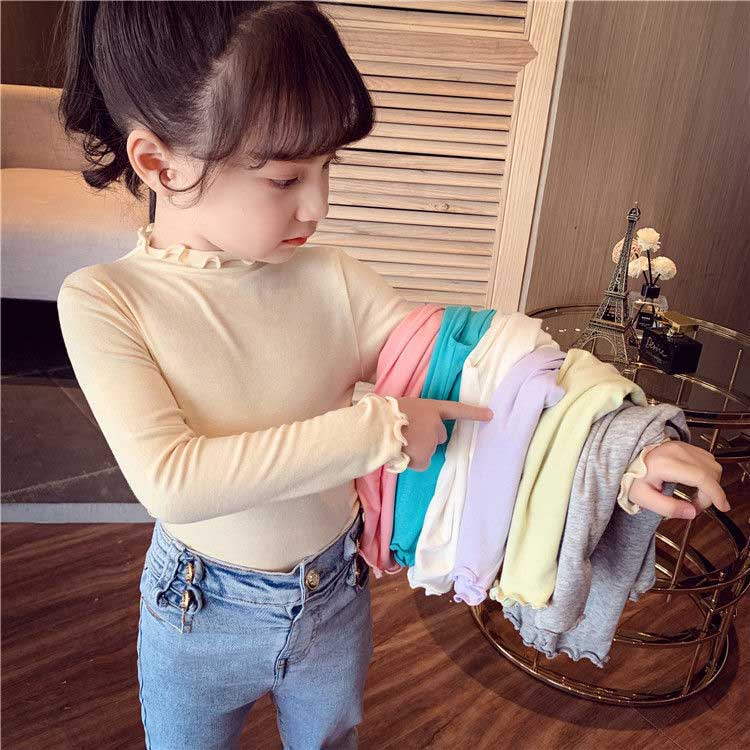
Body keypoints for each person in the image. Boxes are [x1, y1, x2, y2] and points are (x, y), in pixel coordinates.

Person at [53, 2, 728, 748]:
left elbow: (487, 370)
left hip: (334, 597)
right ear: (160, 164)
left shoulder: (332, 279)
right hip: (197, 613)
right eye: (284, 178)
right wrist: (381, 427)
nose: (318, 204)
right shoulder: (106, 301)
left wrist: (622, 447)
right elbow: (174, 482)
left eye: (328, 167)